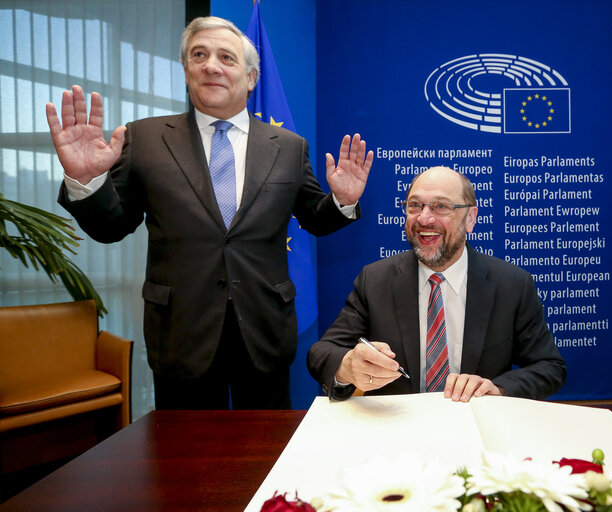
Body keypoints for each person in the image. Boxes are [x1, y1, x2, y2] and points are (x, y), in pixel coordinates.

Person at [46, 16, 373, 410]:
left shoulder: (288, 146)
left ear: (251, 78)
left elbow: (314, 219)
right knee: (184, 462)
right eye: (199, 55)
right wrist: (87, 181)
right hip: (181, 333)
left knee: (267, 455)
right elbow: (112, 227)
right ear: (187, 72)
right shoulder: (145, 139)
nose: (211, 66)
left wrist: (342, 201)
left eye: (226, 57)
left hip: (264, 330)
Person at [307, 166, 565, 402]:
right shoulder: (375, 280)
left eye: (441, 207)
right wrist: (348, 365)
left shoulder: (512, 284)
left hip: (477, 429)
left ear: (470, 218)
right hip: (397, 432)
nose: (424, 219)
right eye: (415, 206)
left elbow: (549, 367)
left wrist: (497, 388)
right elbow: (322, 353)